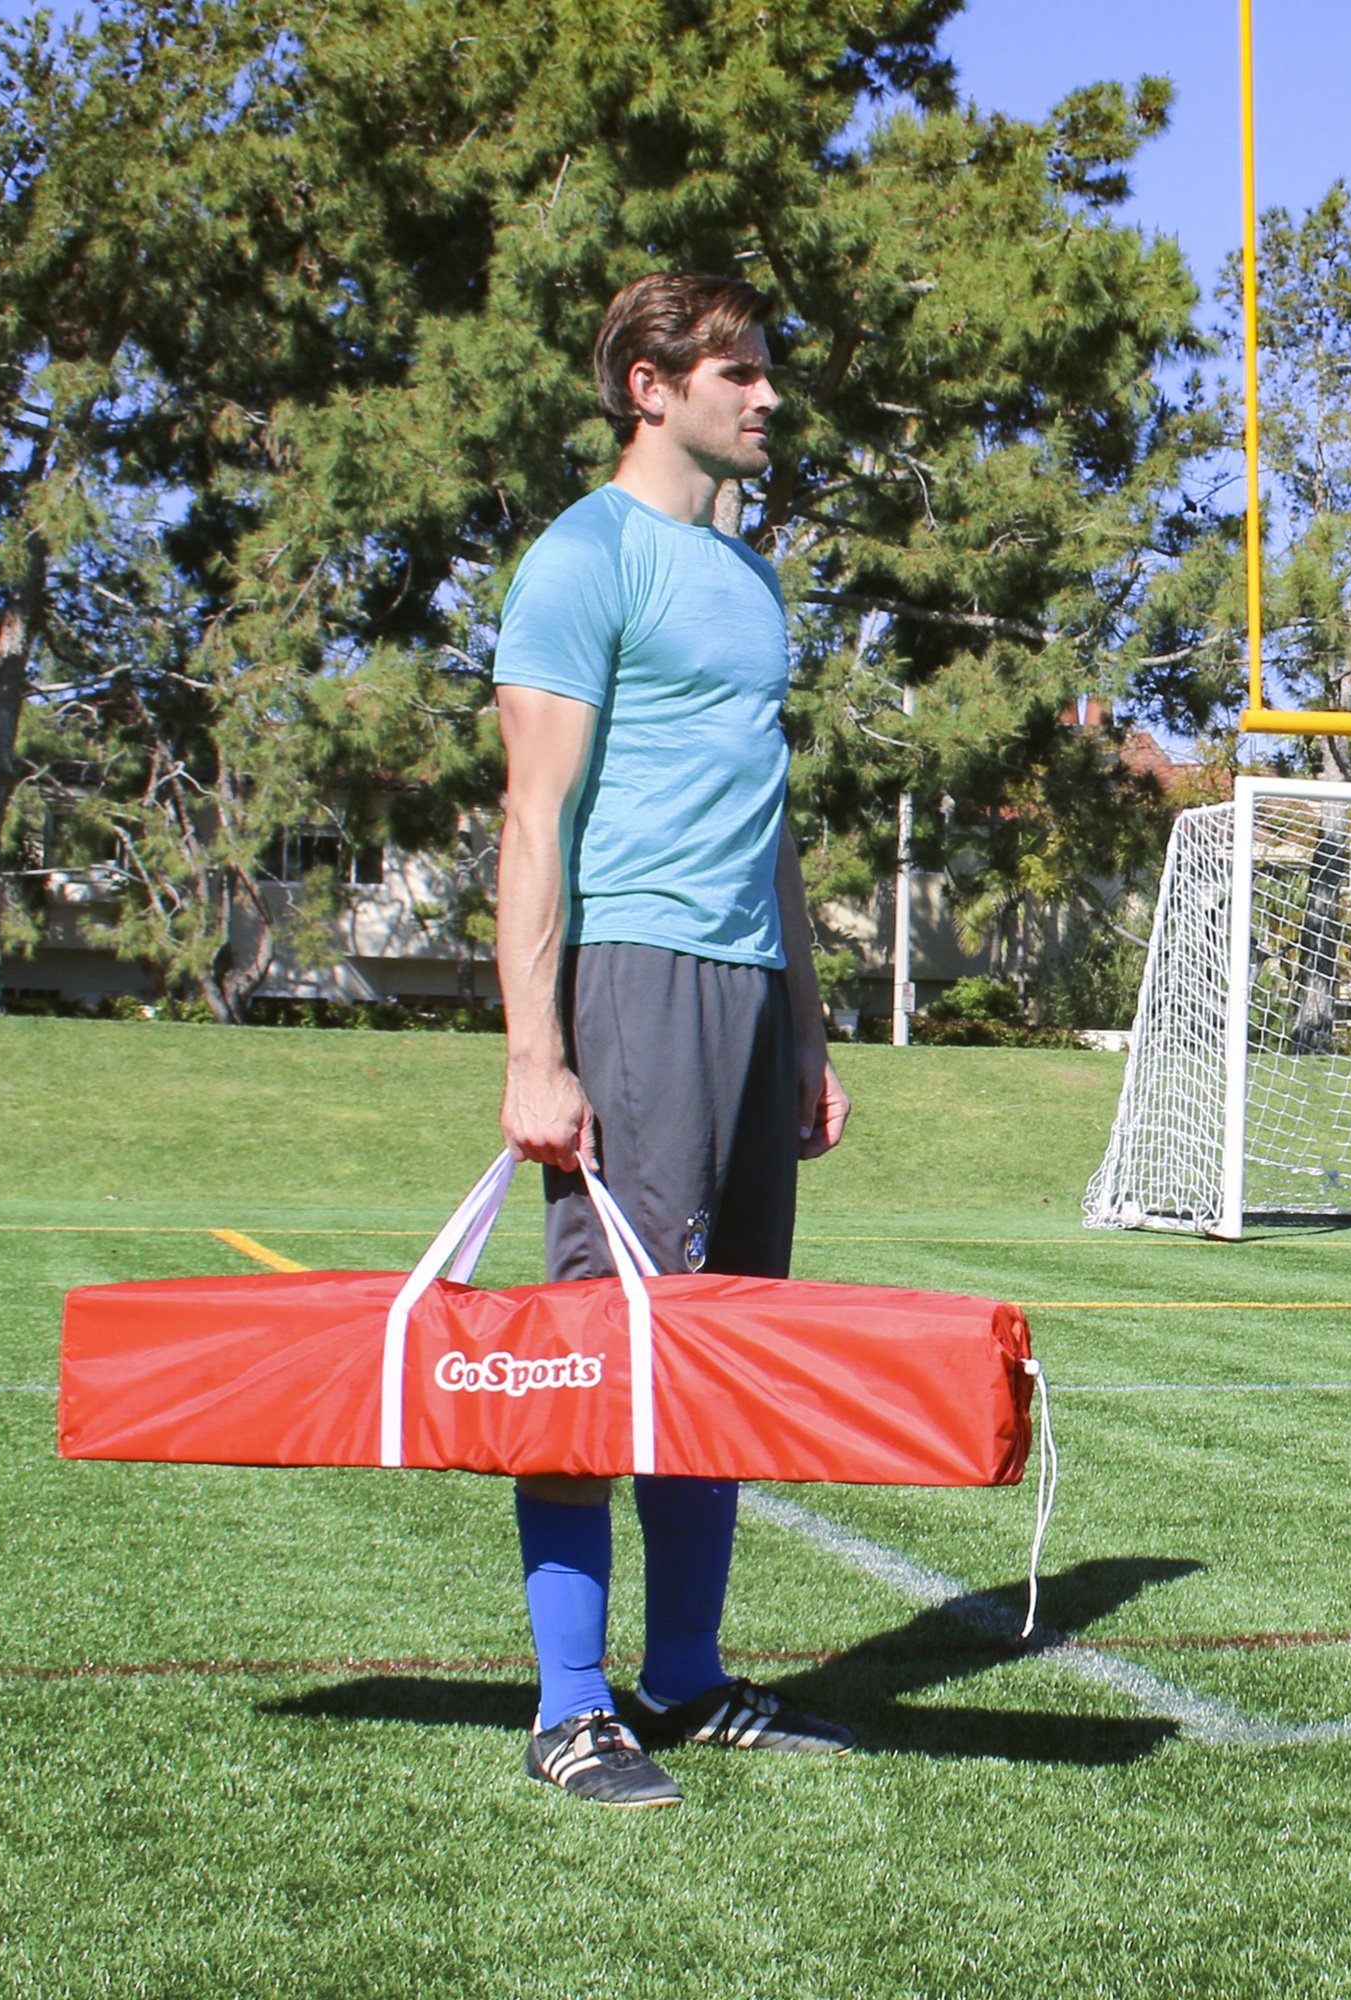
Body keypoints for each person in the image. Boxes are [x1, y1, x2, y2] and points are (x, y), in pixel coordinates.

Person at [491, 272, 854, 1809]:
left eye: (768, 373)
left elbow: (771, 828)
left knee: (717, 1340)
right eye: (739, 373)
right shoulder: (585, 557)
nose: (768, 397)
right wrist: (534, 1049)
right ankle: (570, 1705)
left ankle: (688, 1678)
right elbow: (533, 815)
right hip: (631, 975)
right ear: (651, 385)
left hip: (750, 991)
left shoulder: (753, 580)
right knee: (601, 1342)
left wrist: (809, 1030)